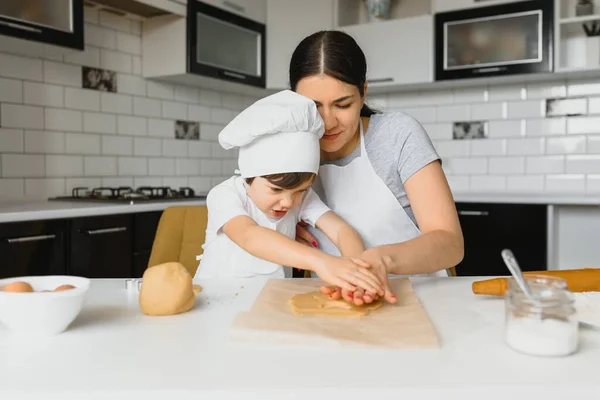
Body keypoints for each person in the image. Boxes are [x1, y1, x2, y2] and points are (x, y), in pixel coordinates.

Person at [289, 31, 464, 305]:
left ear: (363, 93)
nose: (328, 122)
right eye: (313, 107)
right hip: (332, 304)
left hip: (420, 302)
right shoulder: (287, 150)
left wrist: (382, 259)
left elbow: (450, 244)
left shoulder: (396, 135)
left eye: (342, 104)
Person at [193, 90, 386, 298]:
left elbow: (341, 230)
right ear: (250, 175)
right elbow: (250, 236)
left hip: (269, 301)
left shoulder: (301, 199)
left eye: (300, 191)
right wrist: (323, 262)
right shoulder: (224, 195)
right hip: (216, 300)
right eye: (276, 189)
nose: (288, 202)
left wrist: (356, 271)